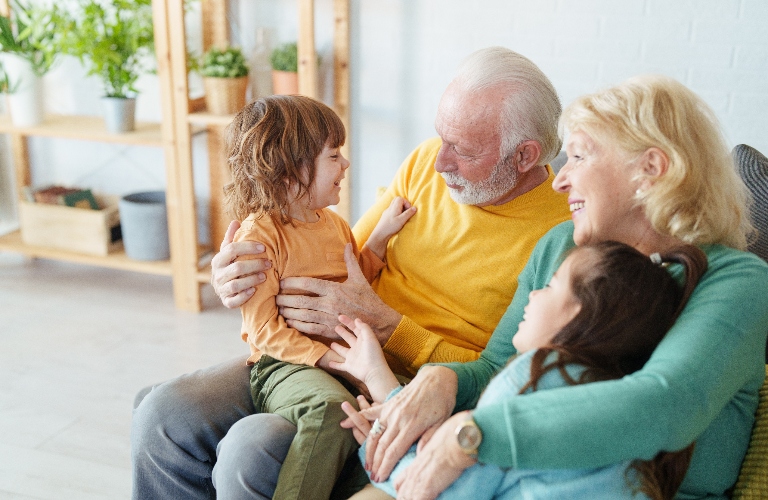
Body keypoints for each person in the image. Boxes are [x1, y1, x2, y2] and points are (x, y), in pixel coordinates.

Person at [131, 47, 571, 499]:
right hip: (315, 349)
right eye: (442, 138)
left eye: (462, 150)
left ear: (524, 156)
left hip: (405, 385)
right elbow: (340, 255)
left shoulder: (561, 236)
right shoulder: (426, 164)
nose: (441, 163)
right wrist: (241, 275)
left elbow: (510, 378)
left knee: (251, 449)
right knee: (163, 412)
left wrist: (389, 327)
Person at [355, 75, 768, 500]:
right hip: (511, 479)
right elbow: (498, 369)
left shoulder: (735, 279)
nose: (559, 180)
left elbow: (664, 407)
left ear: (650, 170)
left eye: (579, 156)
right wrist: (443, 381)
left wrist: (474, 433)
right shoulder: (559, 246)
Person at [335, 240, 708, 500]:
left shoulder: (536, 372)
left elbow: (438, 490)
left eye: (549, 286)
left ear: (578, 312)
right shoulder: (616, 397)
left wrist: (382, 444)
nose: (532, 294)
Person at [222, 95, 417, 500]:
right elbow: (263, 332)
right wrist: (329, 358)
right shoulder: (260, 235)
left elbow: (352, 284)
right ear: (292, 170)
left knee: (400, 401)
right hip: (284, 364)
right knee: (330, 410)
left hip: (339, 359)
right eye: (334, 155)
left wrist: (380, 236)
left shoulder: (335, 225)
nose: (345, 164)